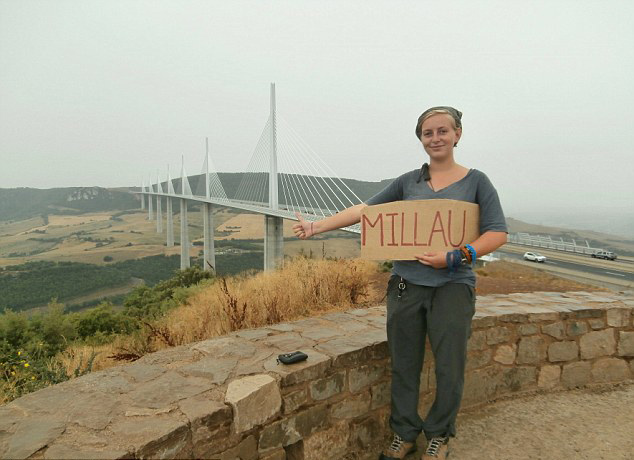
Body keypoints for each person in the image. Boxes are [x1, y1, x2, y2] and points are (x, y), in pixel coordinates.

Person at [292, 106, 508, 460]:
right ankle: (404, 433)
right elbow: (366, 211)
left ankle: (439, 435)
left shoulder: (477, 182)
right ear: (420, 138)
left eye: (442, 131)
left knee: (449, 366)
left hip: (453, 288)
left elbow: (497, 232)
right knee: (403, 363)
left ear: (458, 134)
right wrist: (316, 227)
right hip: (406, 285)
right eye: (428, 133)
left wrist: (457, 255)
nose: (435, 138)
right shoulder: (408, 182)